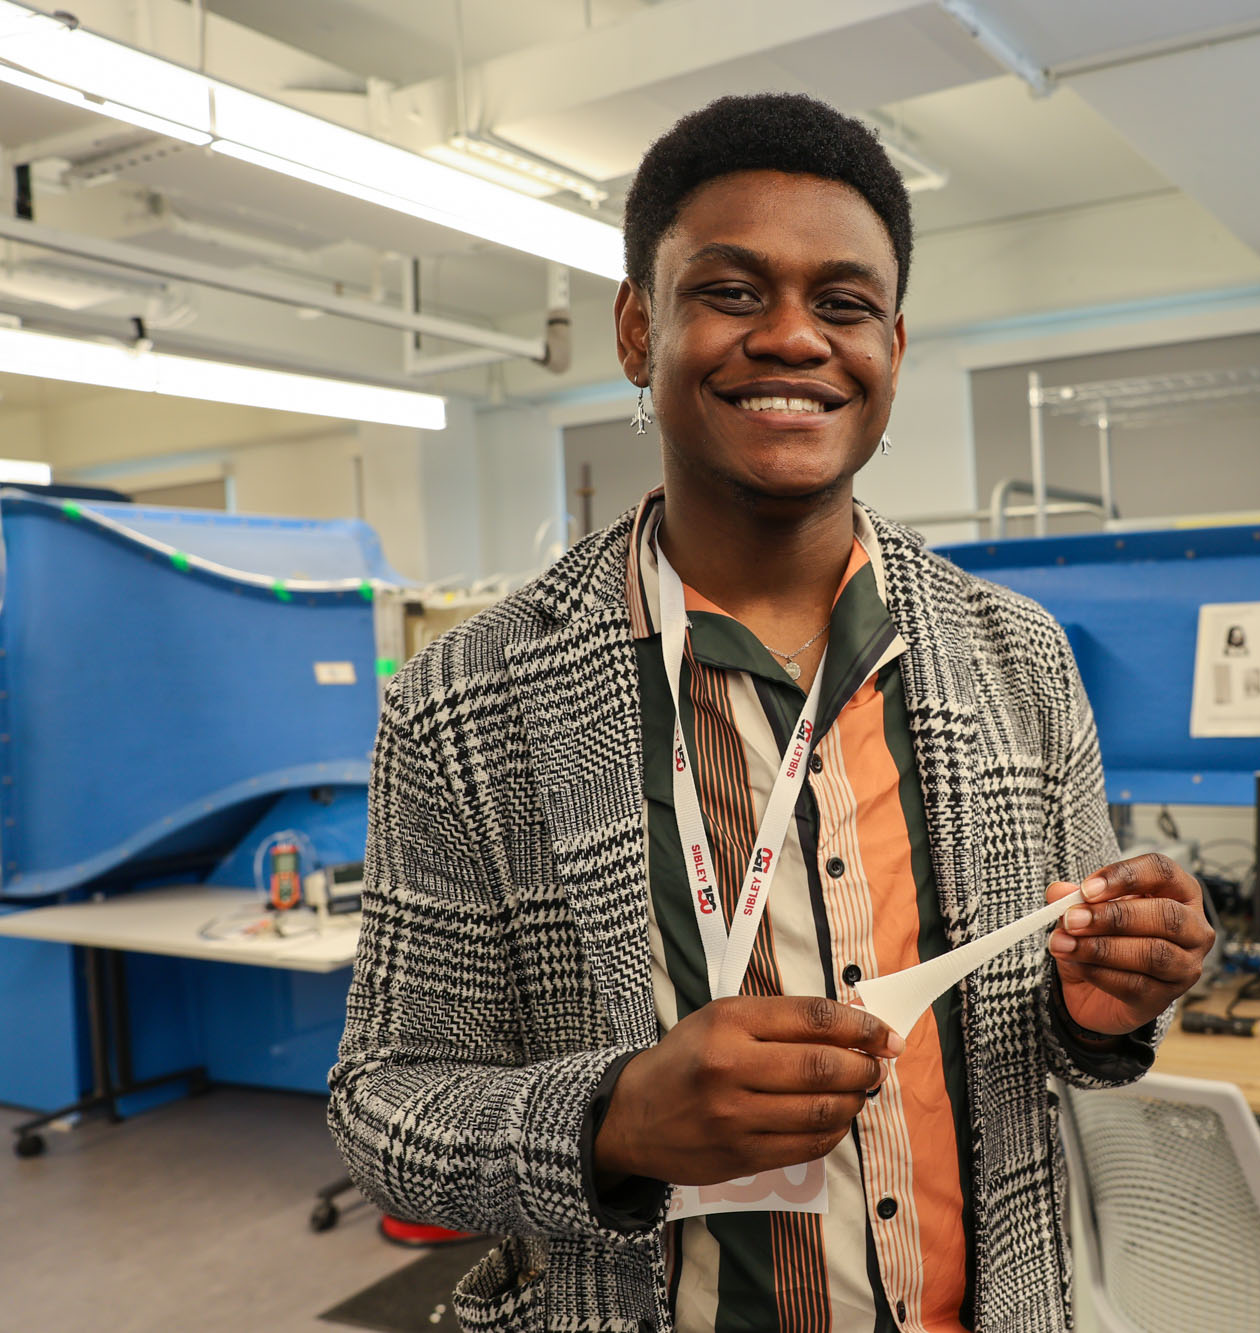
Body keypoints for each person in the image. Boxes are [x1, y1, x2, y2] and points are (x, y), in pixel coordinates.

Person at [329, 92, 1214, 1333]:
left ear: (892, 350)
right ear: (639, 329)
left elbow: (1057, 1035)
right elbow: (384, 1106)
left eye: (842, 304)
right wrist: (619, 1116)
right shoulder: (468, 700)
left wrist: (1108, 1004)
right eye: (733, 292)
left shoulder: (1018, 660)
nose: (794, 338)